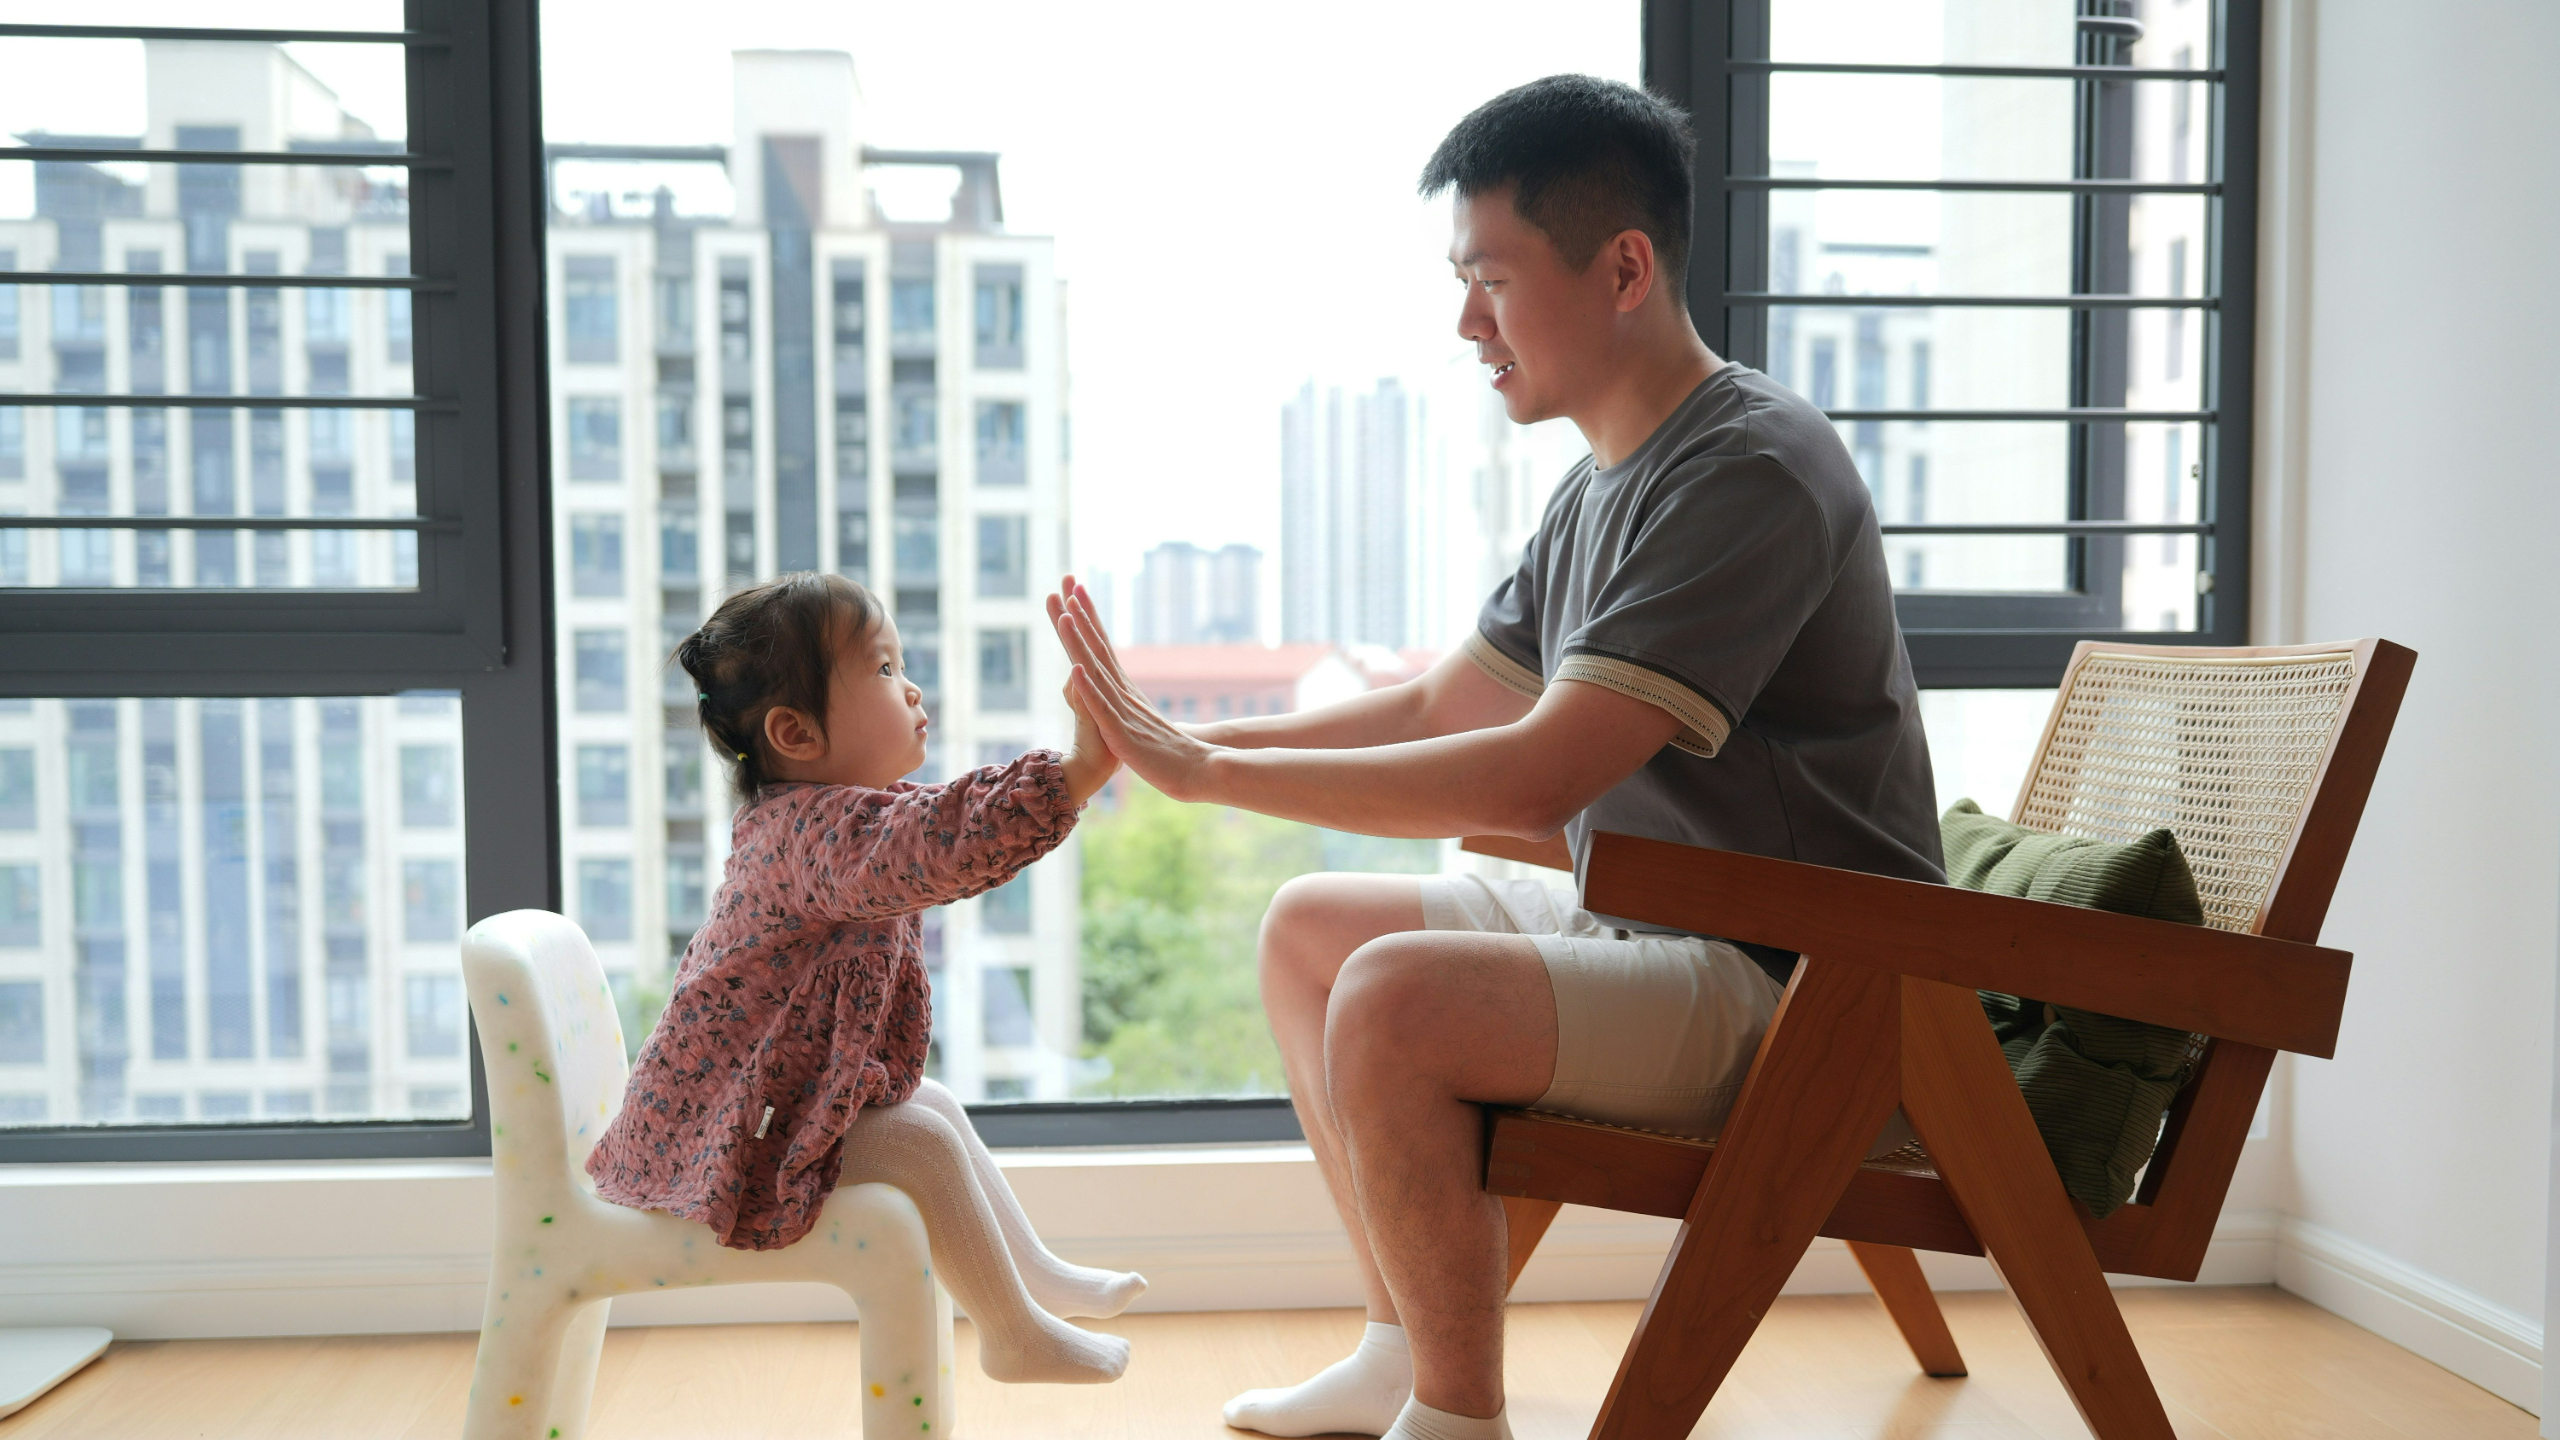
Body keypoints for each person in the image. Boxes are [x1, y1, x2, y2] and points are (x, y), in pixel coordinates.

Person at [1048, 74, 1942, 1440]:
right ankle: (1398, 1350)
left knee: (1392, 997)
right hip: (1665, 925)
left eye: (1492, 281)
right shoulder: (1599, 485)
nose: (1468, 322)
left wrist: (1212, 776)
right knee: (1309, 933)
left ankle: (1460, 1416)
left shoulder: (1748, 468)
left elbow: (1530, 777)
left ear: (1624, 269)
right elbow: (1434, 709)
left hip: (1810, 982)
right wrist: (1169, 744)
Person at [585, 571, 1142, 1384]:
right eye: (884, 669)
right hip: (726, 1136)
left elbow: (934, 824)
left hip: (753, 1107)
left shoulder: (829, 821)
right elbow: (946, 838)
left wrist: (1072, 772)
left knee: (932, 1105)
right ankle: (1013, 1333)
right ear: (796, 733)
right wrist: (1077, 772)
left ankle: (1037, 1277)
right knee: (918, 1140)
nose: (911, 686)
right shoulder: (814, 836)